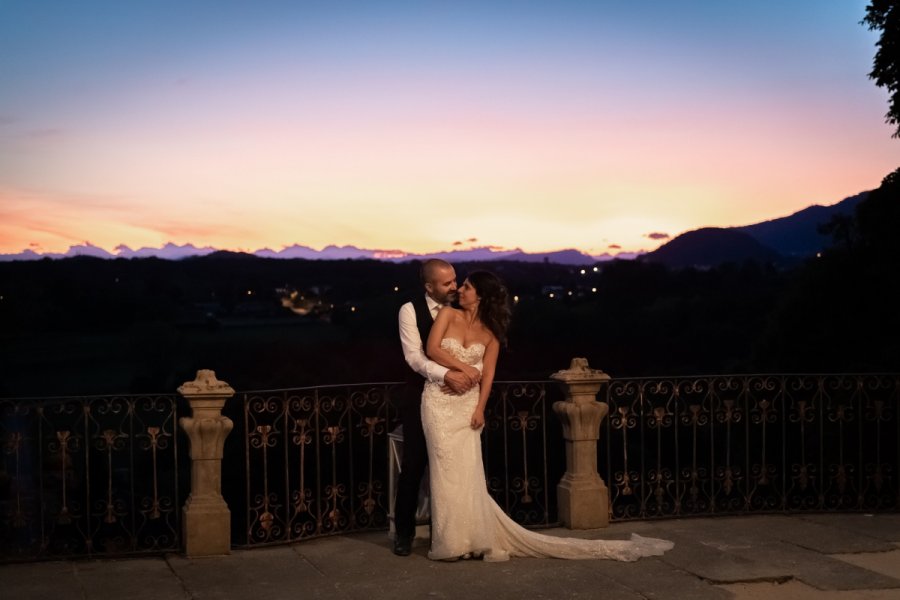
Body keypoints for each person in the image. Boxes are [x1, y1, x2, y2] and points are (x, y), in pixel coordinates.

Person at [421, 270, 674, 562]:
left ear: (481, 295)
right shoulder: (447, 316)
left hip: (467, 405)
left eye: (466, 286)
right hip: (439, 402)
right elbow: (432, 350)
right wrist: (465, 369)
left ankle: (470, 538)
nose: (459, 290)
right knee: (444, 470)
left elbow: (489, 374)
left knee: (468, 472)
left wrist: (480, 408)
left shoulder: (491, 332)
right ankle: (450, 542)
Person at [394, 258, 478, 557]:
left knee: (454, 467)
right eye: (447, 283)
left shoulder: (462, 307)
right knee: (415, 464)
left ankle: (451, 535)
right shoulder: (409, 310)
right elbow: (415, 358)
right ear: (429, 287)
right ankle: (404, 534)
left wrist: (467, 379)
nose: (454, 286)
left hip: (457, 400)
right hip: (420, 397)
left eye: (455, 280)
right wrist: (448, 375)